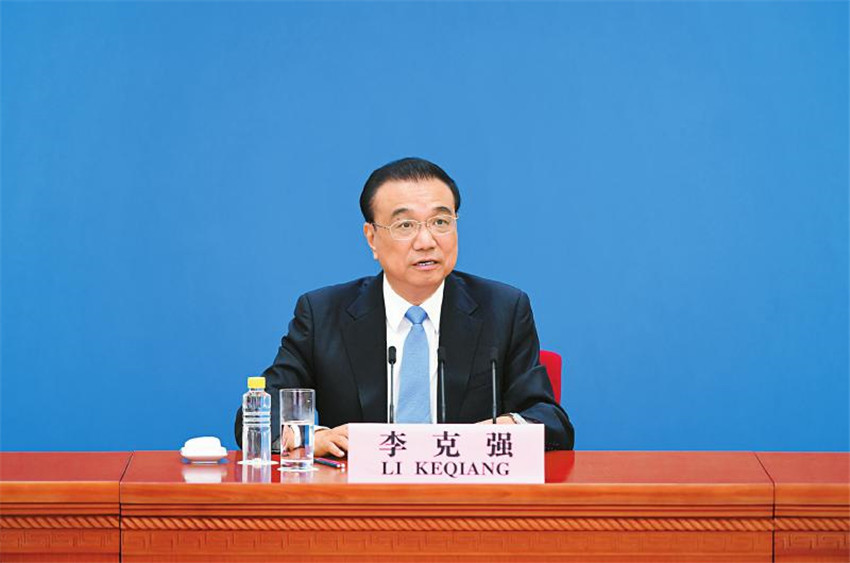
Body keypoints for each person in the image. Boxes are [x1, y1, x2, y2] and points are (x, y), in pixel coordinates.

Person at [235, 157, 574, 456]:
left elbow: (550, 419)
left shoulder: (502, 309)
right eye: (405, 225)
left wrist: (506, 428)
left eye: (441, 222)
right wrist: (313, 437)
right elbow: (257, 415)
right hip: (358, 500)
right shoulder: (323, 314)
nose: (426, 241)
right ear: (371, 238)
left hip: (468, 497)